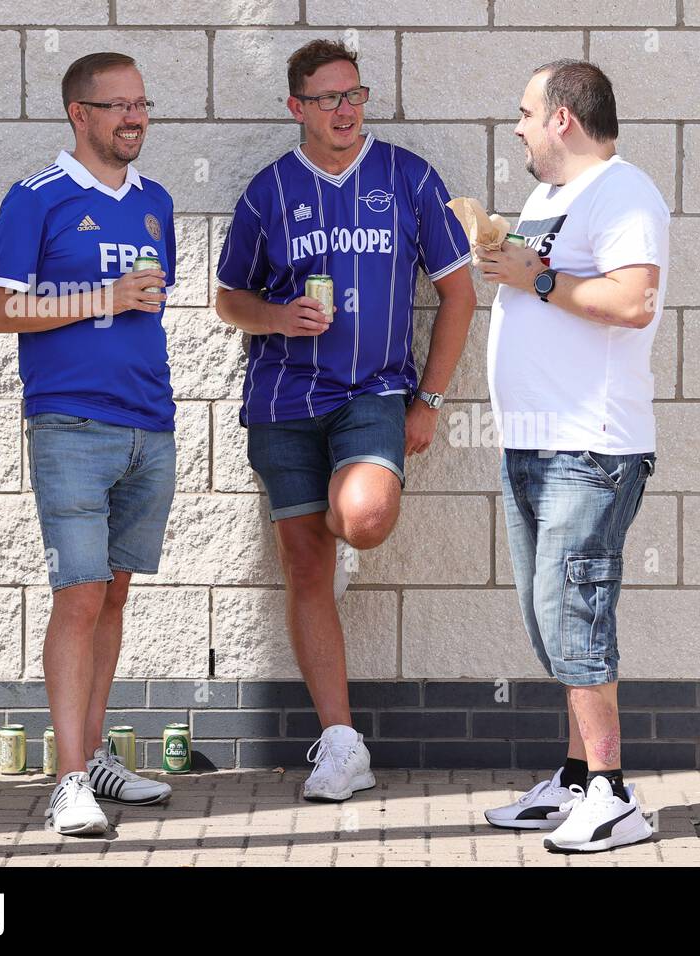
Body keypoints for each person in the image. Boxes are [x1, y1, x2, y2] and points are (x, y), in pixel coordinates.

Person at [214, 39, 476, 802]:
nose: (345, 110)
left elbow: (459, 293)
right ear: (297, 107)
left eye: (355, 94)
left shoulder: (407, 176)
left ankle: (346, 519)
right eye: (328, 98)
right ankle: (340, 744)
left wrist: (428, 400)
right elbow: (229, 299)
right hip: (283, 402)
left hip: (373, 394)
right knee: (304, 567)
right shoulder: (270, 192)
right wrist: (276, 315)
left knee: (360, 520)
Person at [0, 52, 176, 835]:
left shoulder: (156, 201)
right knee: (80, 593)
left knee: (117, 593)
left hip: (149, 425)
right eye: (118, 105)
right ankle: (67, 782)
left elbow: (150, 310)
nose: (134, 117)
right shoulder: (36, 199)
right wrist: (103, 295)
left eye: (142, 103)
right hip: (68, 425)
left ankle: (94, 756)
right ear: (79, 114)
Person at [477, 59, 669, 852]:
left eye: (524, 112)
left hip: (587, 449)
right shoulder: (548, 197)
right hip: (533, 444)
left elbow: (633, 300)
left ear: (562, 118)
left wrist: (541, 278)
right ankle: (576, 777)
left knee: (578, 615)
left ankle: (615, 795)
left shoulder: (624, 191)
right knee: (549, 616)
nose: (516, 126)